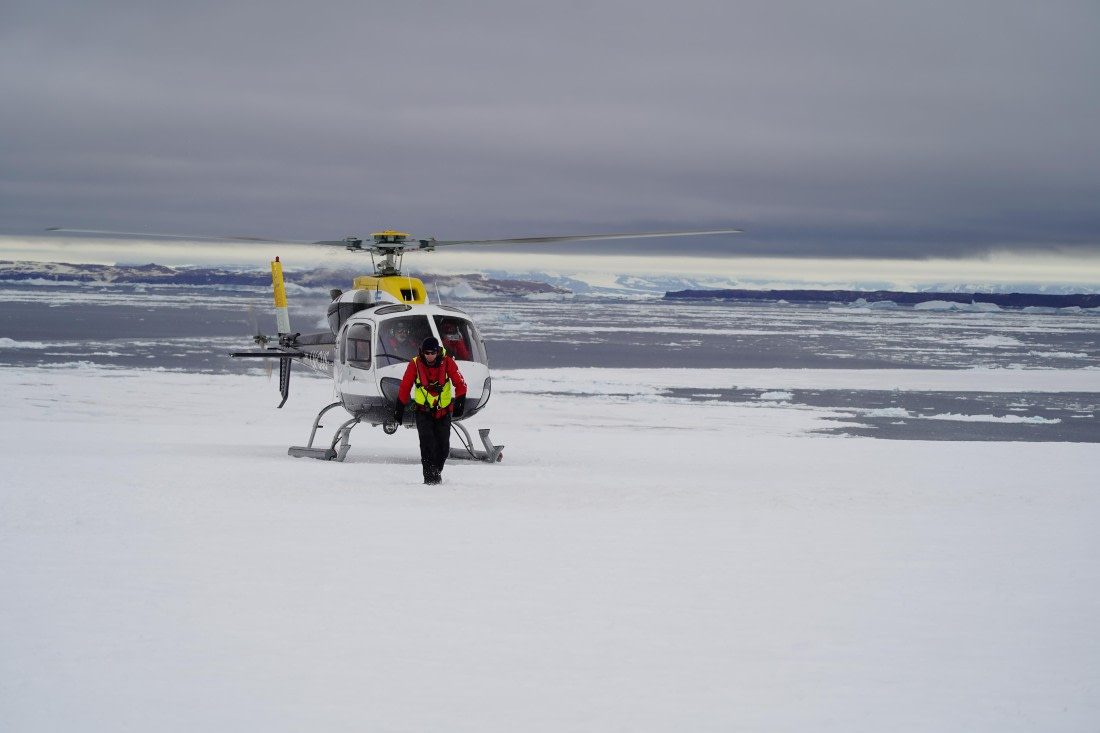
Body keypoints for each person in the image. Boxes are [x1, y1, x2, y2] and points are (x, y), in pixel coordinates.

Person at [393, 337, 468, 484]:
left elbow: (461, 384)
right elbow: (405, 387)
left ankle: (436, 472)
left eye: (432, 353)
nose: (429, 356)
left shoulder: (448, 363)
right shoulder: (414, 364)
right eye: (426, 353)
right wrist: (399, 409)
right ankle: (429, 479)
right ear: (422, 352)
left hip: (443, 412)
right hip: (423, 412)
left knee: (443, 448)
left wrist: (460, 403)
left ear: (437, 352)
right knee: (427, 445)